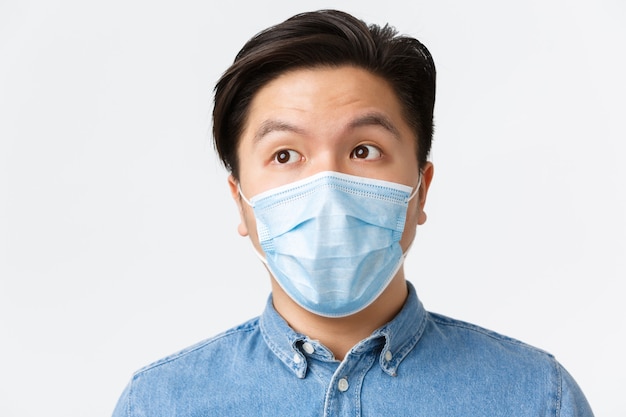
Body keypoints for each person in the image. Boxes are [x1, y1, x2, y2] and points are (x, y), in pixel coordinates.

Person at [112, 9, 594, 416]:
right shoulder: (160, 404)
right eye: (285, 155)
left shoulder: (536, 398)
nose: (328, 189)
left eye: (364, 150)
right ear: (240, 199)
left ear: (420, 191)